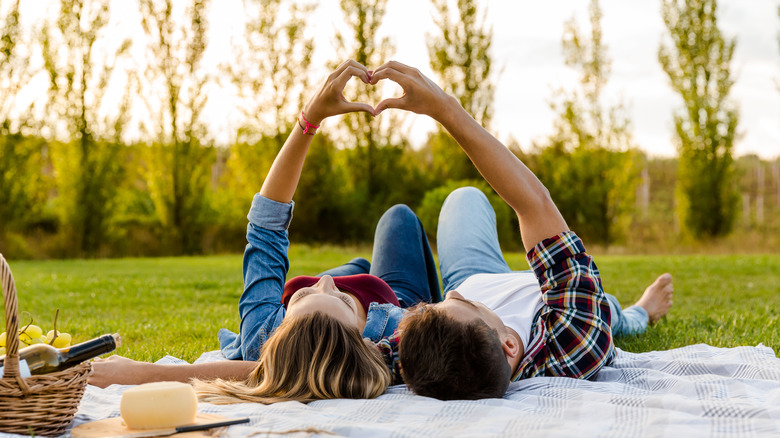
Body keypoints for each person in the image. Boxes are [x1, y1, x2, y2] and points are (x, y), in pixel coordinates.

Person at [89, 60, 440, 403]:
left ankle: (340, 284)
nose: (325, 282)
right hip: (393, 295)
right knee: (398, 217)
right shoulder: (399, 338)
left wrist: (310, 119)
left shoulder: (262, 335)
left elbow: (266, 225)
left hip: (312, 323)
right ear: (365, 345)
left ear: (280, 328)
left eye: (298, 299)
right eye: (343, 300)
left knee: (350, 269)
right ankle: (352, 283)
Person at [362, 61, 673, 400]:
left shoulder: (419, 357)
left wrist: (310, 121)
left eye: (435, 307)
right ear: (509, 345)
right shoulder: (575, 339)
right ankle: (642, 309)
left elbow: (332, 360)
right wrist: (445, 109)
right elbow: (533, 202)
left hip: (475, 275)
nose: (448, 295)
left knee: (463, 197)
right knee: (610, 310)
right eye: (463, 305)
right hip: (550, 297)